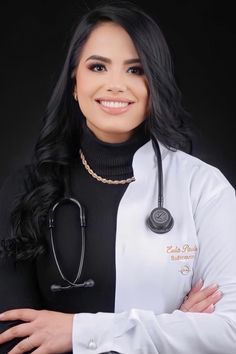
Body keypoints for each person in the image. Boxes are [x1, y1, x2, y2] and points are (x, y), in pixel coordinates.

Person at [0, 1, 236, 353]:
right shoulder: (26, 188)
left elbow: (228, 332)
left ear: (154, 84)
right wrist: (174, 324)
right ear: (74, 83)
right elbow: (12, 339)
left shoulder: (203, 187)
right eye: (98, 66)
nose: (115, 85)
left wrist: (79, 332)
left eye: (135, 70)